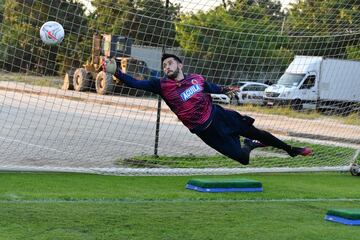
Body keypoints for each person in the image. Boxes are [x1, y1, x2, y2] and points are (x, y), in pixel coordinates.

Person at [103, 54, 312, 165]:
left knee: (257, 132)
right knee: (243, 159)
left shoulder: (197, 79)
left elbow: (211, 88)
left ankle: (291, 150)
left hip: (219, 115)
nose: (166, 67)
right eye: (164, 65)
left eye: (170, 63)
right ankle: (249, 146)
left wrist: (225, 90)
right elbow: (135, 83)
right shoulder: (160, 85)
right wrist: (117, 73)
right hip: (206, 131)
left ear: (180, 65)